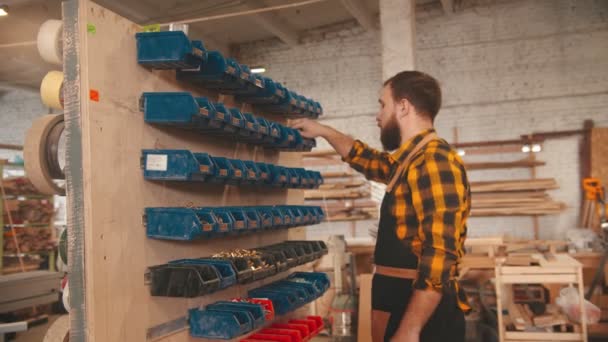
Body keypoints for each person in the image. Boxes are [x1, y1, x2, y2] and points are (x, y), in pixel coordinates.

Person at [291, 71, 471, 342]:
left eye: (382, 104)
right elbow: (368, 160)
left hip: (419, 315)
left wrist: (410, 329)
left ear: (403, 106)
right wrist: (324, 131)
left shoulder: (434, 161)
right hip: (396, 299)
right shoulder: (409, 161)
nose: (378, 115)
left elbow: (440, 258)